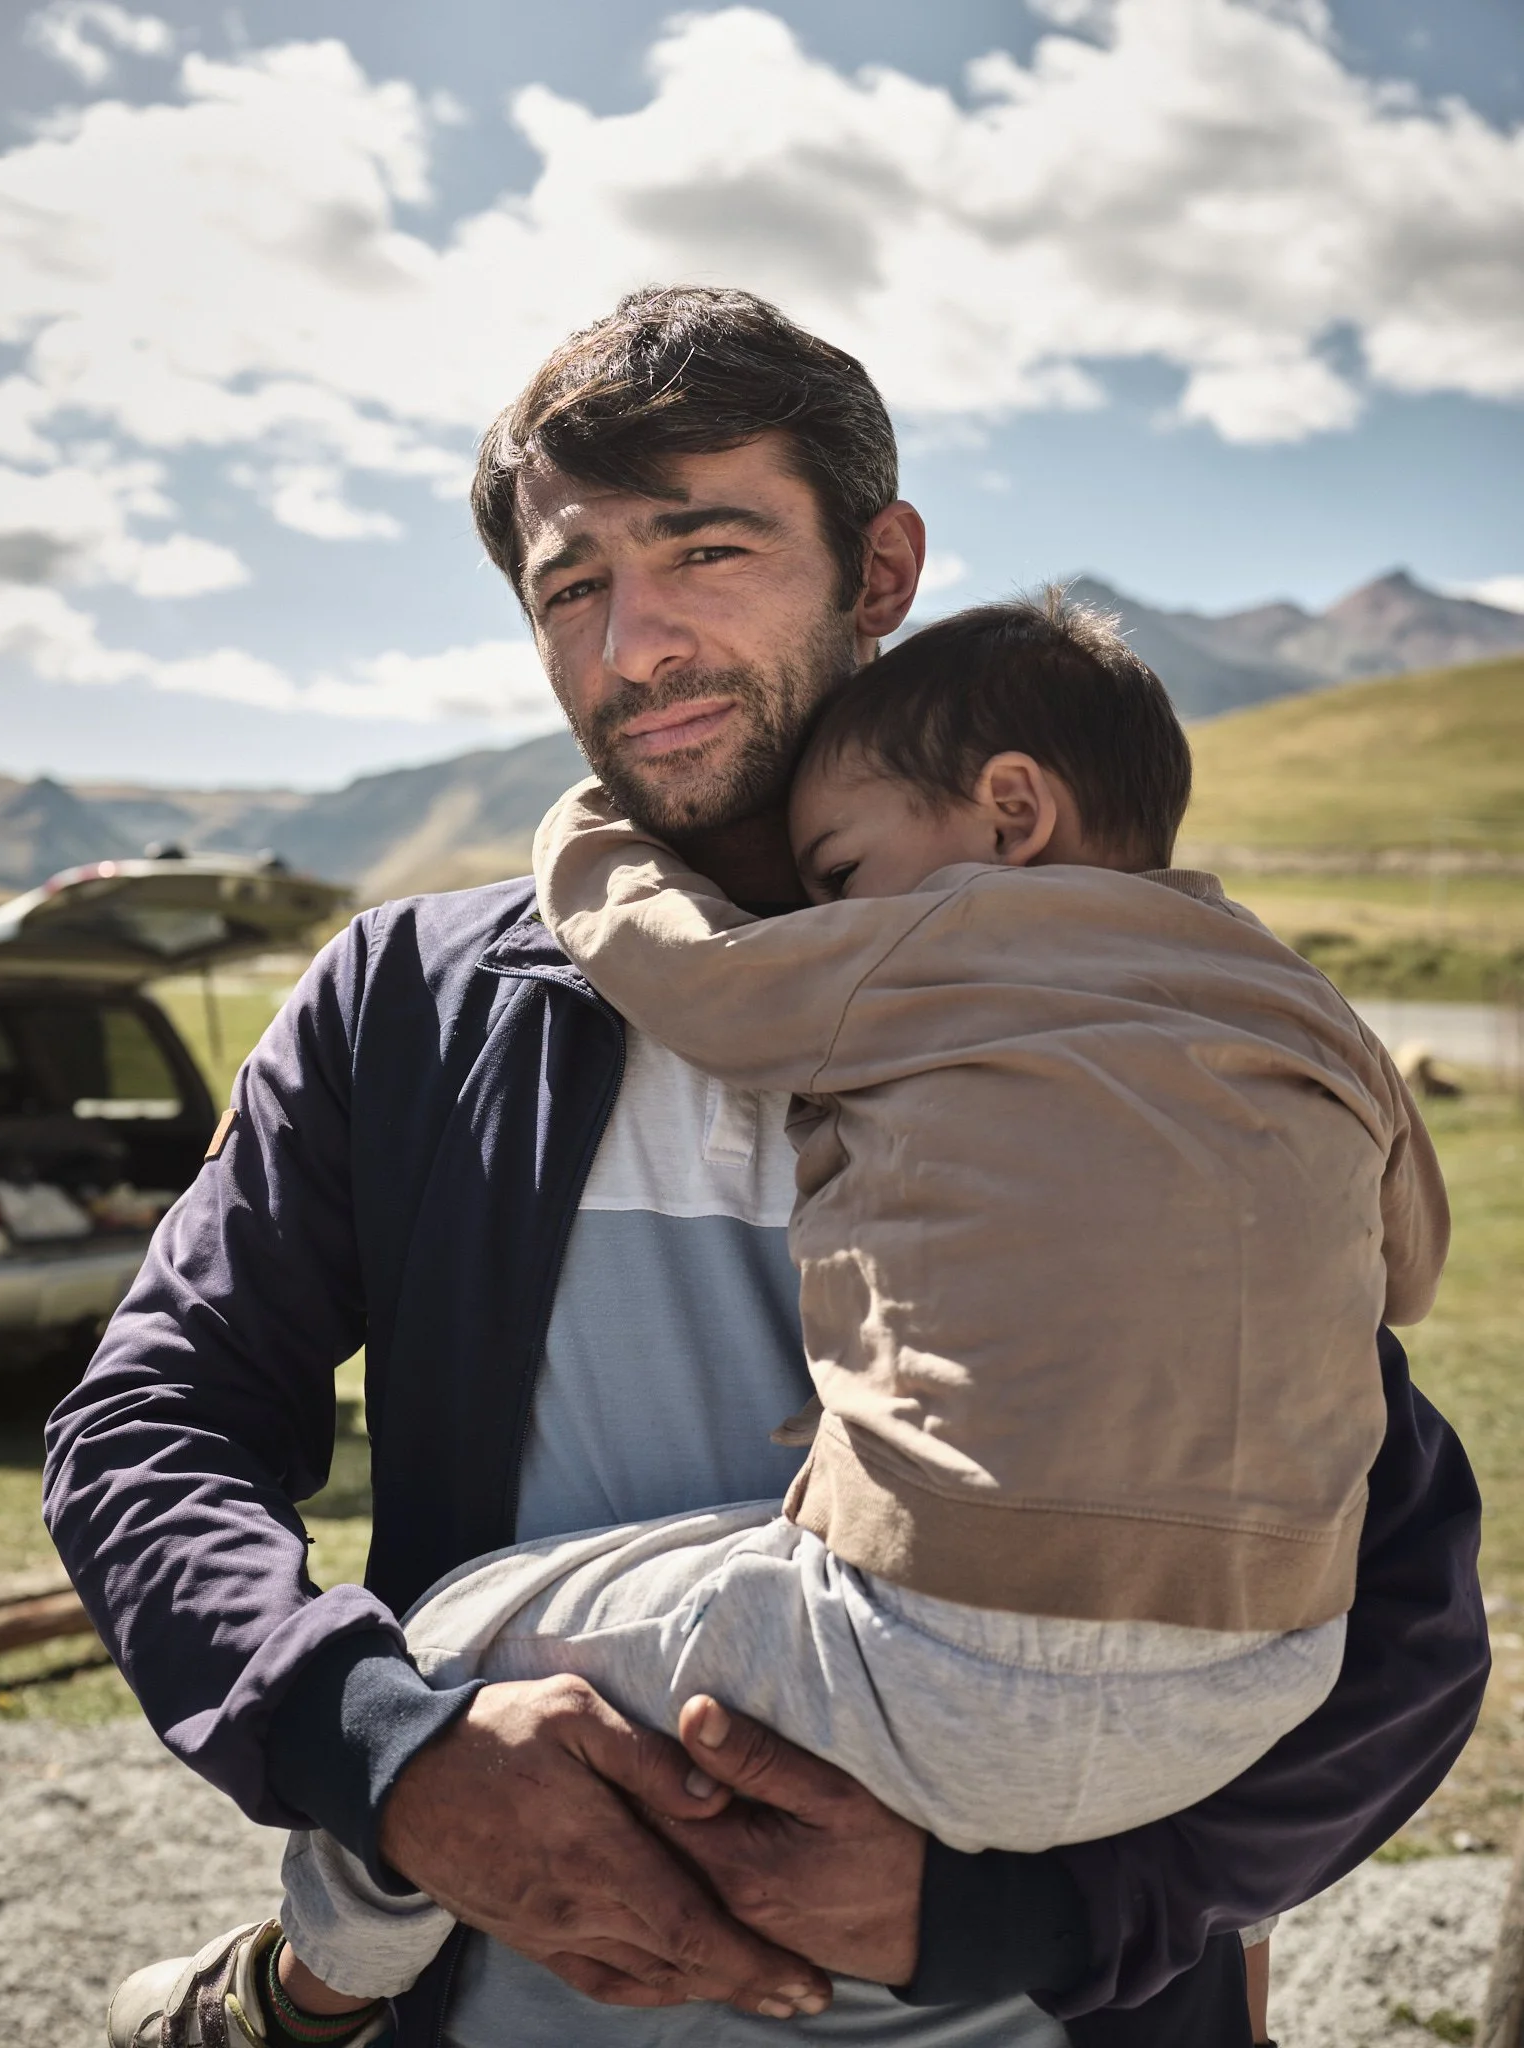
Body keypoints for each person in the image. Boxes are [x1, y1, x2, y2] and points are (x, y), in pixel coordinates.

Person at [53, 287, 1487, 2048]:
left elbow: (1401, 1602)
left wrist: (1022, 1914)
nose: (628, 649)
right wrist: (384, 1751)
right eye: (569, 588)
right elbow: (151, 1425)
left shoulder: (1119, 1028)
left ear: (879, 572)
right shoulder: (407, 1007)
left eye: (705, 549)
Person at [239, 591, 1448, 2025]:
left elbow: (697, 973)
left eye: (843, 868)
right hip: (1261, 1684)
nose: (827, 906)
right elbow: (1408, 1268)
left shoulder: (923, 955)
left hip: (936, 1661)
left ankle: (315, 1992)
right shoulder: (1312, 1015)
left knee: (435, 1659)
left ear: (1010, 815)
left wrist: (589, 834)